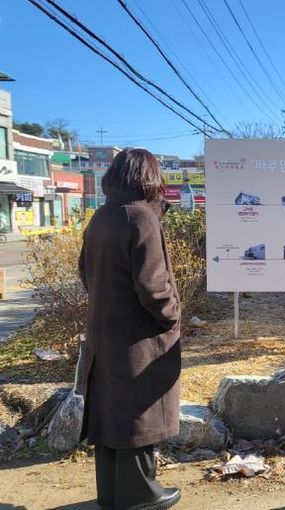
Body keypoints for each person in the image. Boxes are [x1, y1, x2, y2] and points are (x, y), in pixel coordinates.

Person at [78, 148, 182, 510]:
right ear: (148, 176)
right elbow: (153, 286)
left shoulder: (101, 216)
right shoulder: (141, 217)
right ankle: (141, 494)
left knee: (111, 412)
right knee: (139, 413)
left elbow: (84, 272)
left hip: (103, 331)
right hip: (138, 336)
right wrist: (171, 317)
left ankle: (112, 493)